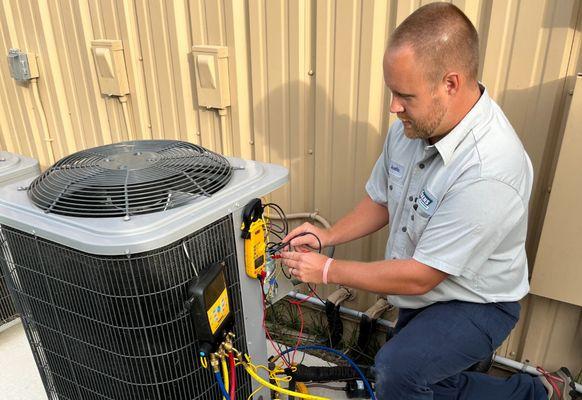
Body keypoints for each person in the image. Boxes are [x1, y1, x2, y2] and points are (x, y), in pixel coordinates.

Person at [280, 3, 576, 399]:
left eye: (405, 95)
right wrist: (327, 235)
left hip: (479, 302)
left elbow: (421, 275)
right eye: (391, 92)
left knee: (397, 371)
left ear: (450, 84)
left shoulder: (490, 168)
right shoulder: (411, 129)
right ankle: (539, 393)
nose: (393, 107)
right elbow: (382, 200)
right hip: (424, 294)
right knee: (428, 381)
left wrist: (328, 269)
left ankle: (534, 394)